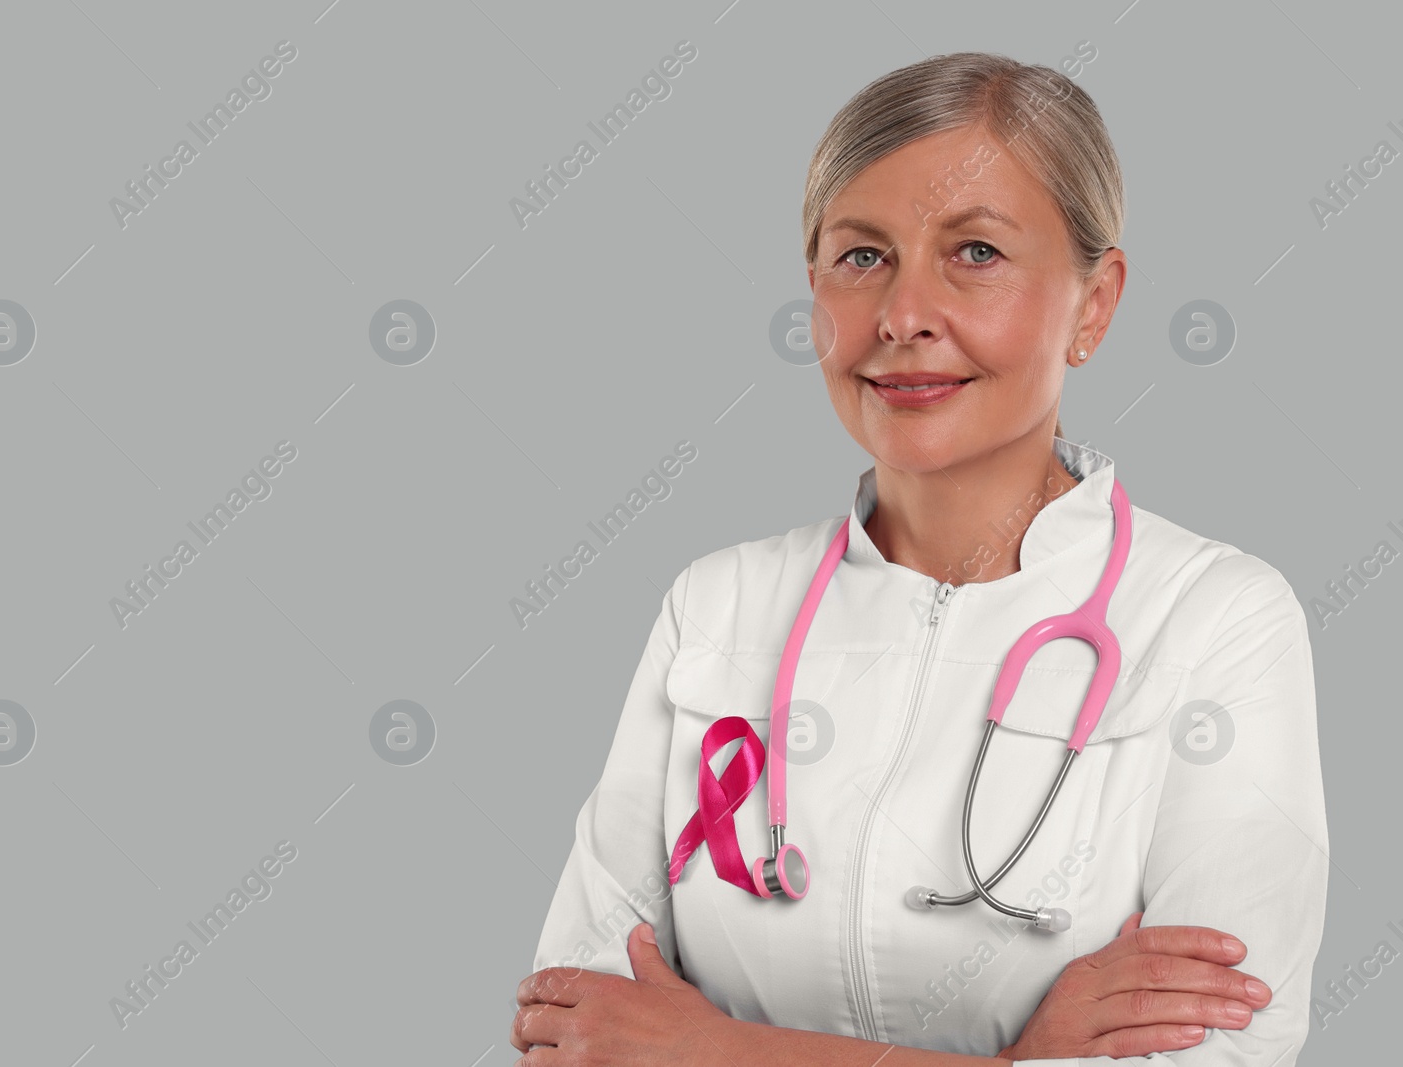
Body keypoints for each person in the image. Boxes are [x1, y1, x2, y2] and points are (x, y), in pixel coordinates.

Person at [513, 52, 1328, 1065]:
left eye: (975, 251)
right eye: (861, 257)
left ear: (1093, 302)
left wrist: (713, 1048)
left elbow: (1221, 1058)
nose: (902, 315)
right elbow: (571, 1029)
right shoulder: (716, 607)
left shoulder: (1214, 619)